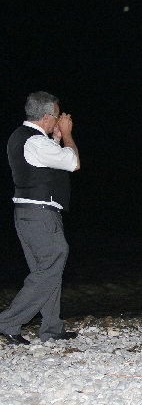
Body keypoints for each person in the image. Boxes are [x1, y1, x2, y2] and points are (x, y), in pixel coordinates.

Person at [0, 91, 80, 345]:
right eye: (56, 116)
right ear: (46, 116)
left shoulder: (20, 137)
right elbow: (72, 162)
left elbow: (46, 164)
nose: (58, 120)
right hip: (40, 215)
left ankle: (52, 327)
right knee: (53, 262)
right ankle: (7, 321)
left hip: (27, 213)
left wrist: (55, 139)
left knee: (45, 271)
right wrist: (67, 133)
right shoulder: (35, 141)